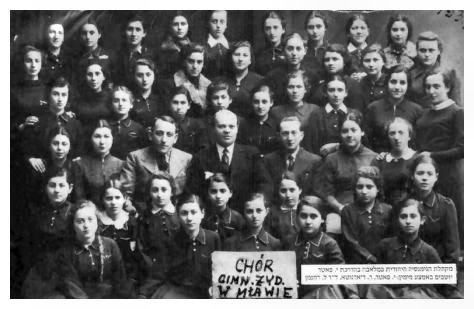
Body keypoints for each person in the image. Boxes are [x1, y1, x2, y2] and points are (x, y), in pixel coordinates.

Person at [415, 68, 463, 244]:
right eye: (428, 87)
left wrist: (432, 155)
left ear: (448, 87)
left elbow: (462, 149)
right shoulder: (425, 113)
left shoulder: (457, 112)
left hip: (447, 173)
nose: (431, 91)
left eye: (436, 86)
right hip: (424, 173)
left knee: (448, 218)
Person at [186, 110, 265, 213]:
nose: (227, 130)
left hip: (245, 215)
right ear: (213, 129)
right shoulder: (201, 157)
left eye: (231, 127)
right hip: (211, 216)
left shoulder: (251, 154)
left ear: (237, 128)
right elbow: (193, 190)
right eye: (222, 126)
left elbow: (263, 184)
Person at [281, 196, 359, 299]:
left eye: (313, 216)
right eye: (303, 216)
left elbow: (341, 275)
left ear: (322, 218)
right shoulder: (289, 242)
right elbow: (280, 271)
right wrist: (286, 281)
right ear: (297, 217)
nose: (308, 221)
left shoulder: (329, 244)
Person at [314, 111, 377, 238]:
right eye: (345, 131)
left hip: (367, 209)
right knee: (333, 227)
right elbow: (326, 192)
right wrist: (340, 208)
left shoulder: (373, 158)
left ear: (362, 132)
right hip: (339, 209)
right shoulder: (332, 159)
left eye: (354, 130)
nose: (349, 135)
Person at [366, 199, 443, 299]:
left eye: (413, 216)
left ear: (422, 220)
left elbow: (445, 285)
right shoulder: (385, 246)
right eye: (403, 216)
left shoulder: (428, 251)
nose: (408, 221)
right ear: (397, 220)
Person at [55, 200, 131, 298]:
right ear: (72, 225)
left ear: (97, 221)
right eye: (80, 221)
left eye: (90, 219)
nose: (86, 225)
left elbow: (120, 282)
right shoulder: (66, 252)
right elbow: (72, 287)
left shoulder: (110, 245)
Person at [121, 116, 192, 212]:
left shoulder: (186, 159)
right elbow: (126, 194)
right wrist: (130, 208)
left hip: (178, 214)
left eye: (169, 135)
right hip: (144, 213)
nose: (164, 140)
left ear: (175, 138)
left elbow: (190, 194)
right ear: (150, 135)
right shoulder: (134, 157)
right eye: (159, 133)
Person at [22, 168, 74, 298]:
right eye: (52, 185)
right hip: (40, 268)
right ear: (46, 188)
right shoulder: (38, 212)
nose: (56, 190)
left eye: (62, 185)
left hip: (67, 270)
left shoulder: (75, 213)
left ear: (70, 188)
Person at [162, 194, 220, 298]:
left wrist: (214, 286)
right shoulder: (172, 241)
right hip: (180, 292)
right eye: (184, 213)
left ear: (202, 213)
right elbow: (168, 274)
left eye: (194, 212)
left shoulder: (213, 238)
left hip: (206, 291)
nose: (189, 218)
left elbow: (220, 269)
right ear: (178, 216)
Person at [409, 154, 460, 264]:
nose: (424, 178)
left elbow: (452, 249)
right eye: (420, 173)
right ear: (412, 176)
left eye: (429, 174)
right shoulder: (404, 204)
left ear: (436, 177)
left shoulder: (446, 205)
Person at [136, 173, 180, 298]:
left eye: (164, 190)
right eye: (155, 190)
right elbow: (141, 248)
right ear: (149, 193)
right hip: (152, 273)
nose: (160, 194)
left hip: (178, 273)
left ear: (172, 192)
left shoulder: (180, 215)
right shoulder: (144, 218)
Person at [22, 77, 84, 161]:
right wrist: (30, 158)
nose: (60, 99)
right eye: (55, 94)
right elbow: (27, 151)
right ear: (48, 95)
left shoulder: (75, 124)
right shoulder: (38, 122)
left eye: (64, 94)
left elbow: (79, 154)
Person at [260, 116, 321, 200]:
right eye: (285, 133)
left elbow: (316, 192)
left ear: (301, 135)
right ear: (279, 136)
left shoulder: (314, 161)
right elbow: (266, 192)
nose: (290, 138)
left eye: (294, 133)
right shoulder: (268, 160)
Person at [341, 166, 392, 264]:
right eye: (360, 187)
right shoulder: (348, 211)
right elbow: (351, 242)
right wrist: (370, 258)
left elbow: (391, 240)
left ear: (377, 189)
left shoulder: (387, 210)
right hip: (357, 262)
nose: (364, 191)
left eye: (369, 187)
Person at [365, 65, 422, 153]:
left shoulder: (416, 110)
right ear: (387, 83)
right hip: (379, 158)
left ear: (408, 85)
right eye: (393, 82)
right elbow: (367, 139)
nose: (397, 87)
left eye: (402, 83)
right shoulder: (373, 108)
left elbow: (418, 141)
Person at [302, 74, 357, 156]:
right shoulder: (316, 115)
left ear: (346, 93)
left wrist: (337, 146)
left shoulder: (353, 114)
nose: (335, 94)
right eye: (331, 90)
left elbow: (360, 143)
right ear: (325, 93)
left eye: (340, 90)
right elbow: (310, 146)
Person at [72, 119, 124, 208]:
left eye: (106, 136)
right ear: (91, 139)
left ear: (112, 138)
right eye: (97, 136)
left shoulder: (121, 164)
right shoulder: (80, 164)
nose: (102, 142)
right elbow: (79, 197)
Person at [97, 175, 139, 283]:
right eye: (109, 198)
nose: (113, 203)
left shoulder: (131, 221)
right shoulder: (97, 221)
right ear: (102, 200)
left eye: (117, 198)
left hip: (129, 274)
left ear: (124, 198)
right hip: (104, 273)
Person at [263, 32, 320, 106]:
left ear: (305, 51)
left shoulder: (312, 76)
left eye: (298, 49)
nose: (294, 53)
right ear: (283, 51)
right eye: (290, 49)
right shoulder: (272, 76)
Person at [371, 117, 418, 206]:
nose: (396, 137)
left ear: (409, 136)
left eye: (401, 133)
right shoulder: (379, 161)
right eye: (392, 133)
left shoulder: (417, 159)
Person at [408, 31, 462, 107]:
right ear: (417, 51)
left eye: (431, 50)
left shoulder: (450, 74)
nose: (427, 54)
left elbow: (457, 106)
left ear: (438, 51)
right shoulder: (410, 75)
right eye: (423, 50)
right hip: (417, 117)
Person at [309, 44, 365, 110]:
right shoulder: (318, 84)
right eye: (327, 60)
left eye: (335, 59)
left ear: (344, 61)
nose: (330, 63)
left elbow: (357, 110)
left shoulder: (353, 85)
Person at [236, 84, 280, 154]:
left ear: (271, 103)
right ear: (251, 103)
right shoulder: (243, 124)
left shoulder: (277, 124)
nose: (260, 106)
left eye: (264, 102)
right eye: (256, 102)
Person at [113, 14, 154, 87]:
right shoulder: (118, 56)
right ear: (125, 32)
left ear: (144, 33)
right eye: (130, 29)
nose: (133, 34)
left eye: (138, 30)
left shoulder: (151, 55)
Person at [108, 85, 147, 160]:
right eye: (116, 100)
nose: (120, 104)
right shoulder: (105, 126)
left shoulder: (138, 128)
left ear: (131, 104)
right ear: (111, 104)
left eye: (124, 100)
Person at [202, 173, 245, 242]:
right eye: (213, 191)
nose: (218, 196)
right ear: (208, 193)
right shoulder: (203, 217)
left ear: (230, 193)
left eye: (222, 191)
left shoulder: (237, 219)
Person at [171, 43, 211, 115]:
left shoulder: (208, 85)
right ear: (184, 62)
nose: (195, 66)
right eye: (191, 61)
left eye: (199, 62)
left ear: (203, 64)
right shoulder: (172, 83)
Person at [227, 41, 263, 118]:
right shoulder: (223, 81)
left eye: (245, 55)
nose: (240, 59)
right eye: (237, 55)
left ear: (250, 60)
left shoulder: (259, 81)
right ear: (231, 57)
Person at [72, 18, 112, 87]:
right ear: (80, 36)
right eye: (84, 33)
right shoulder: (75, 58)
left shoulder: (109, 57)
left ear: (99, 34)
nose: (88, 37)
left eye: (92, 33)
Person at [168, 86, 207, 154]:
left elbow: (203, 151)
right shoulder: (164, 123)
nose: (179, 107)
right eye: (175, 102)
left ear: (189, 105)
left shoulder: (197, 125)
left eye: (183, 103)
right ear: (170, 104)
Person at [73, 60, 113, 127]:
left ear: (104, 77)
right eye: (89, 74)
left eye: (97, 74)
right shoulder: (79, 100)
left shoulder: (111, 98)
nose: (93, 78)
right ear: (85, 77)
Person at [130, 58, 168, 129]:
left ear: (154, 75)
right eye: (139, 75)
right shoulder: (129, 99)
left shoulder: (162, 99)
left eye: (148, 74)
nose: (144, 79)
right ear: (134, 77)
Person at [265, 172, 302, 240]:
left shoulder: (307, 210)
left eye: (292, 190)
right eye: (283, 191)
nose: (288, 195)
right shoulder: (272, 213)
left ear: (300, 190)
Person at [157, 13, 191, 79]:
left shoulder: (192, 47)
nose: (179, 28)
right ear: (170, 27)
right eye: (175, 24)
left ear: (188, 26)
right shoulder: (163, 50)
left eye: (183, 24)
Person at [41, 21, 72, 85]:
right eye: (52, 32)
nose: (56, 37)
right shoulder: (40, 58)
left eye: (60, 33)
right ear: (47, 36)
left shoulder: (70, 58)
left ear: (63, 37)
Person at [255, 11, 286, 76]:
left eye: (275, 27)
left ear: (283, 30)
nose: (272, 32)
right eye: (268, 28)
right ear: (263, 31)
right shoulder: (258, 54)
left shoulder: (288, 51)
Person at [203, 10, 230, 79]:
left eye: (222, 22)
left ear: (226, 24)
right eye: (214, 21)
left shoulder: (232, 47)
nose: (218, 26)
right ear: (208, 23)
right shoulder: (202, 47)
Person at [345, 14, 370, 81]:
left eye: (363, 28)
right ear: (348, 32)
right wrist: (348, 78)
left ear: (368, 32)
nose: (359, 32)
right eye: (354, 28)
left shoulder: (374, 52)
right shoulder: (342, 53)